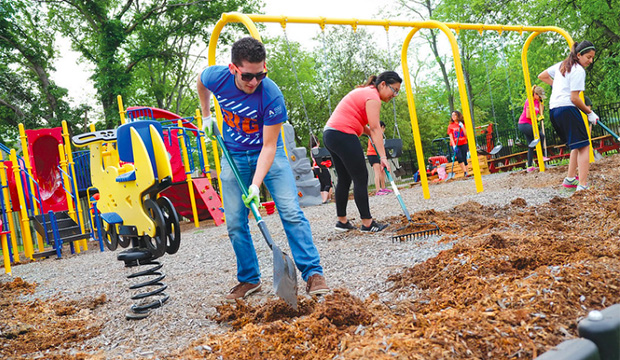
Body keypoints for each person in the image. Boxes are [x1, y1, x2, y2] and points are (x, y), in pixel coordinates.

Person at [197, 37, 329, 301]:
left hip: (269, 154)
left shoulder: (271, 95)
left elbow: (269, 147)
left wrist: (256, 186)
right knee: (234, 221)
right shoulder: (216, 77)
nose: (254, 82)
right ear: (233, 68)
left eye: (260, 74)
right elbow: (201, 82)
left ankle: (313, 273)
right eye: (247, 76)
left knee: (291, 212)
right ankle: (249, 279)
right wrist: (207, 115)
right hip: (232, 153)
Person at [323, 71, 402, 233]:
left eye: (397, 92)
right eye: (394, 90)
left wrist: (368, 133)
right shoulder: (373, 97)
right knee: (361, 177)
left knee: (344, 178)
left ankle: (342, 221)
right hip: (343, 134)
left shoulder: (365, 92)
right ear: (382, 85)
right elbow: (375, 129)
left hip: (330, 134)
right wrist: (383, 157)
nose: (394, 95)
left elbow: (362, 124)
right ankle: (367, 223)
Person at [538, 40, 598, 191]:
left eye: (592, 58)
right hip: (567, 108)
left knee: (576, 144)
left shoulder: (562, 65)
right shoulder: (578, 70)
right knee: (584, 147)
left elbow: (542, 76)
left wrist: (558, 86)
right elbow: (575, 98)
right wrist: (590, 113)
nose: (590, 61)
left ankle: (570, 179)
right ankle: (582, 185)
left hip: (554, 110)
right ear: (579, 55)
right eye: (588, 57)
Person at [518, 85, 547, 172]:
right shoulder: (529, 101)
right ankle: (541, 156)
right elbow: (528, 115)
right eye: (540, 96)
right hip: (524, 124)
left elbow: (541, 110)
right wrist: (537, 119)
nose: (540, 98)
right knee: (540, 136)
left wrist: (542, 103)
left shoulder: (537, 102)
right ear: (535, 94)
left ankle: (529, 166)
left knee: (531, 145)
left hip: (530, 124)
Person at [366, 121, 392, 195]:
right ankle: (378, 190)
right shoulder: (373, 134)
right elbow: (374, 143)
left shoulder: (379, 135)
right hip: (372, 154)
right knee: (377, 172)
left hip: (378, 155)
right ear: (381, 127)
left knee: (382, 171)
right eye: (383, 128)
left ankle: (383, 188)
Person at [309, 134, 333, 204]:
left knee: (322, 184)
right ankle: (324, 200)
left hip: (316, 168)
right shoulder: (319, 150)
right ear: (317, 142)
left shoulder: (311, 151)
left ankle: (322, 199)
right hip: (322, 167)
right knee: (327, 183)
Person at [447, 110, 469, 177]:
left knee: (464, 157)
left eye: (455, 115)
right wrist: (454, 145)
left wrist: (462, 126)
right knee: (459, 157)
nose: (453, 117)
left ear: (458, 116)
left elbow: (466, 134)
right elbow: (451, 137)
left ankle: (467, 173)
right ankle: (465, 171)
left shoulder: (463, 124)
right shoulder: (450, 126)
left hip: (463, 143)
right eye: (452, 115)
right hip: (456, 145)